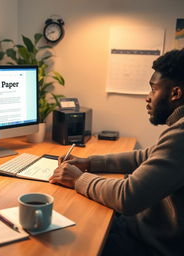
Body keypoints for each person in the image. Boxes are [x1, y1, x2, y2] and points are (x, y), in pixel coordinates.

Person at [49, 48, 184, 256]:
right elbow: (143, 156)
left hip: (151, 245)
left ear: (175, 93)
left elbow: (127, 197)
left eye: (153, 90)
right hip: (146, 230)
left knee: (72, 242)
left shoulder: (181, 135)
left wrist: (78, 179)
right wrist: (89, 162)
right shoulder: (178, 130)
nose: (147, 98)